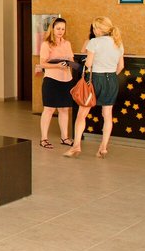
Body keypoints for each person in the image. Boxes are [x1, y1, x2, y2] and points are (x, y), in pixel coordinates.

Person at [64, 16, 124, 159]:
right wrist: (110, 76)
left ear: (97, 29)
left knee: (82, 114)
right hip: (112, 81)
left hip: (95, 79)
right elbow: (121, 66)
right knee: (107, 115)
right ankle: (103, 148)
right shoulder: (118, 42)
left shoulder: (94, 42)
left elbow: (89, 64)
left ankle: (76, 146)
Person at [38, 17, 74, 148]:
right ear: (52, 29)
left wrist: (71, 64)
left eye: (63, 29)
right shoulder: (46, 44)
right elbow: (42, 64)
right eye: (58, 28)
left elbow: (72, 61)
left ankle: (64, 137)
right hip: (51, 80)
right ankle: (44, 139)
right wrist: (58, 65)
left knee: (64, 109)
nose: (60, 31)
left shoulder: (67, 44)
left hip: (66, 80)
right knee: (49, 109)